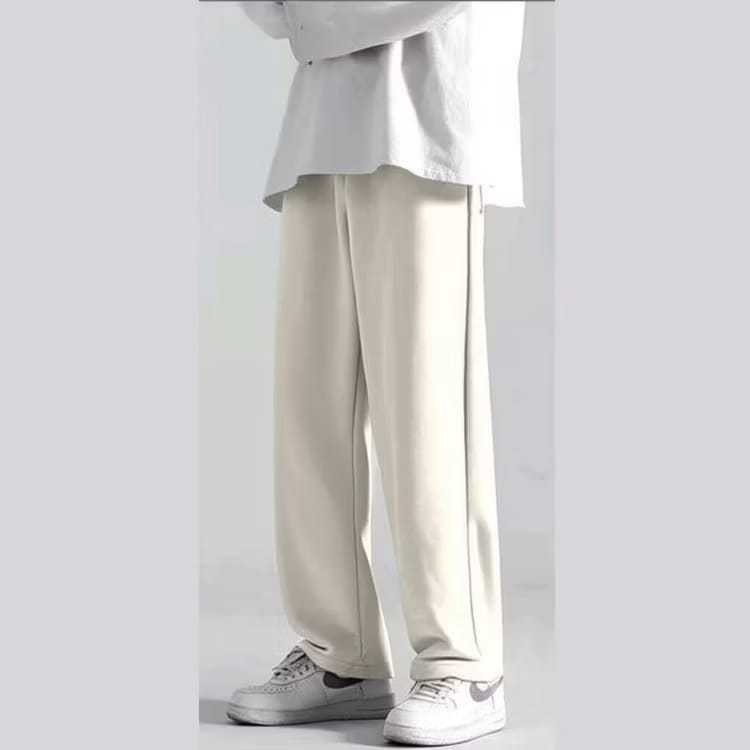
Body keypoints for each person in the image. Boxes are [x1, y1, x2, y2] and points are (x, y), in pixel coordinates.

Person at [225, 2, 526, 745]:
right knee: (310, 405)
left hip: (428, 119)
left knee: (429, 407)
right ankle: (343, 657)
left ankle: (465, 662)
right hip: (320, 128)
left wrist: (310, 17)